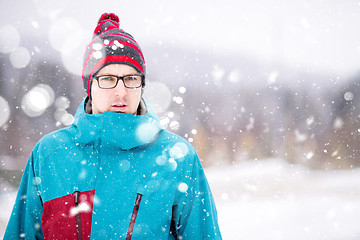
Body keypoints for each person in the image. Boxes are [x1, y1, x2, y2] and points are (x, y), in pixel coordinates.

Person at [4, 13, 222, 239]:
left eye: (131, 78)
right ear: (89, 86)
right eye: (107, 79)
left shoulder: (177, 158)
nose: (121, 92)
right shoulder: (49, 155)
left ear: (141, 84)